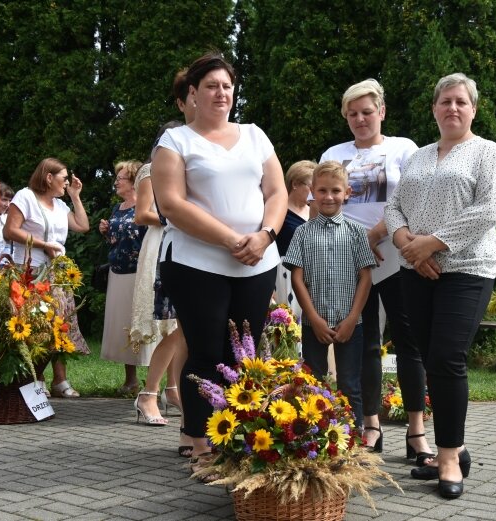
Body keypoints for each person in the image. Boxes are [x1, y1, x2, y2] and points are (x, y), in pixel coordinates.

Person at [150, 51, 287, 471]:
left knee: (242, 355)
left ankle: (237, 435)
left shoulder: (254, 135)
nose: (221, 93)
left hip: (257, 262)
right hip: (195, 263)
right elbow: (171, 204)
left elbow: (277, 192)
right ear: (192, 93)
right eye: (211, 86)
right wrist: (232, 239)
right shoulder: (175, 141)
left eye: (227, 86)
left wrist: (265, 236)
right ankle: (199, 439)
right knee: (206, 353)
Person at [385, 73, 496, 499]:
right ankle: (448, 447)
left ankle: (450, 458)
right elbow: (394, 205)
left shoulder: (487, 153)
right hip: (416, 271)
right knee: (426, 357)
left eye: (461, 102)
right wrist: (408, 247)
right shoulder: (419, 157)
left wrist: (431, 245)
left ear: (473, 109)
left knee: (447, 357)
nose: (452, 108)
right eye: (445, 101)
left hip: (468, 268)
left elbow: (490, 207)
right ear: (434, 109)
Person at [320, 78, 425, 457]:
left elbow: (415, 197)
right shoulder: (334, 152)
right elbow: (325, 205)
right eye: (353, 114)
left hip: (397, 258)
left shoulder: (403, 149)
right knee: (364, 345)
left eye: (367, 112)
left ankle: (416, 432)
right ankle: (370, 426)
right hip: (351, 264)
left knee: (409, 343)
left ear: (381, 112)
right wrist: (354, 244)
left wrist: (377, 234)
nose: (361, 119)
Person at [283, 160, 377, 426]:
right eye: (322, 190)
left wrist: (352, 318)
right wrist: (312, 317)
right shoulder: (302, 233)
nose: (329, 197)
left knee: (350, 385)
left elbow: (365, 278)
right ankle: (315, 438)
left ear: (347, 193)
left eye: (336, 190)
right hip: (316, 323)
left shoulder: (357, 233)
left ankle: (353, 442)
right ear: (312, 191)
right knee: (313, 383)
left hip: (351, 324)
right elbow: (297, 278)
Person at [4, 158, 91, 397]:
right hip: (29, 269)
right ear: (49, 177)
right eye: (64, 179)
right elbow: (10, 230)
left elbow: (83, 226)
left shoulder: (60, 206)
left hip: (55, 273)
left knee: (58, 324)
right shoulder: (25, 197)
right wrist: (43, 245)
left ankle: (60, 380)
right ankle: (36, 379)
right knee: (35, 326)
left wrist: (75, 196)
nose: (67, 182)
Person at [128, 123, 183, 428]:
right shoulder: (150, 169)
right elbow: (141, 213)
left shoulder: (184, 169)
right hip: (160, 242)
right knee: (172, 324)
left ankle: (172, 390)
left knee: (179, 324)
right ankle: (148, 394)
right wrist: (175, 215)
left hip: (181, 242)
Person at [98, 160, 148, 395]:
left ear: (135, 181)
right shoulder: (118, 208)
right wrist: (106, 231)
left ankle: (158, 382)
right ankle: (131, 381)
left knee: (143, 325)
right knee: (124, 326)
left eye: (121, 178)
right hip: (118, 273)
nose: (116, 181)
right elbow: (117, 241)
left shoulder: (147, 206)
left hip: (140, 274)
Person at [274, 160, 316, 318]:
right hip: (285, 273)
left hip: (312, 274)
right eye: (311, 188)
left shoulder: (314, 211)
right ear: (295, 184)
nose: (315, 193)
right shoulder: (278, 212)